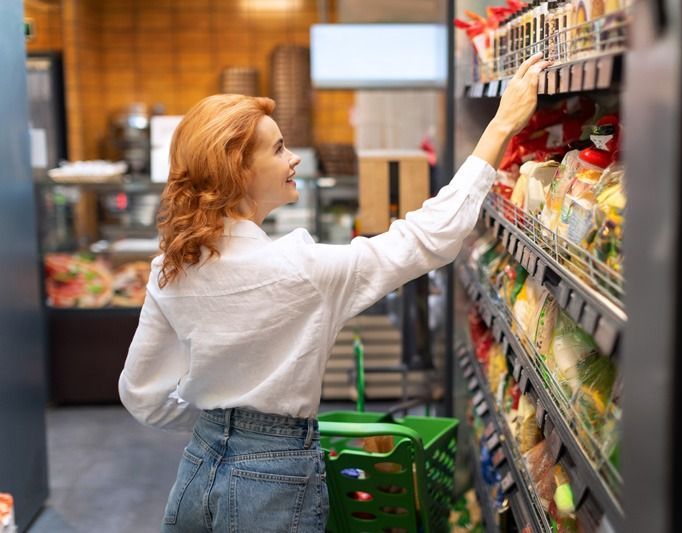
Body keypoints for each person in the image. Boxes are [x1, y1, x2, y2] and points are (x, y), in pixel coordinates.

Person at [119, 54, 550, 533]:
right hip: (273, 479)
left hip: (198, 470)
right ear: (239, 172)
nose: (293, 158)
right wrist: (499, 128)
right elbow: (428, 238)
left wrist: (221, 426)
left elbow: (142, 395)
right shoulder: (301, 269)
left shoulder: (171, 268)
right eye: (279, 149)